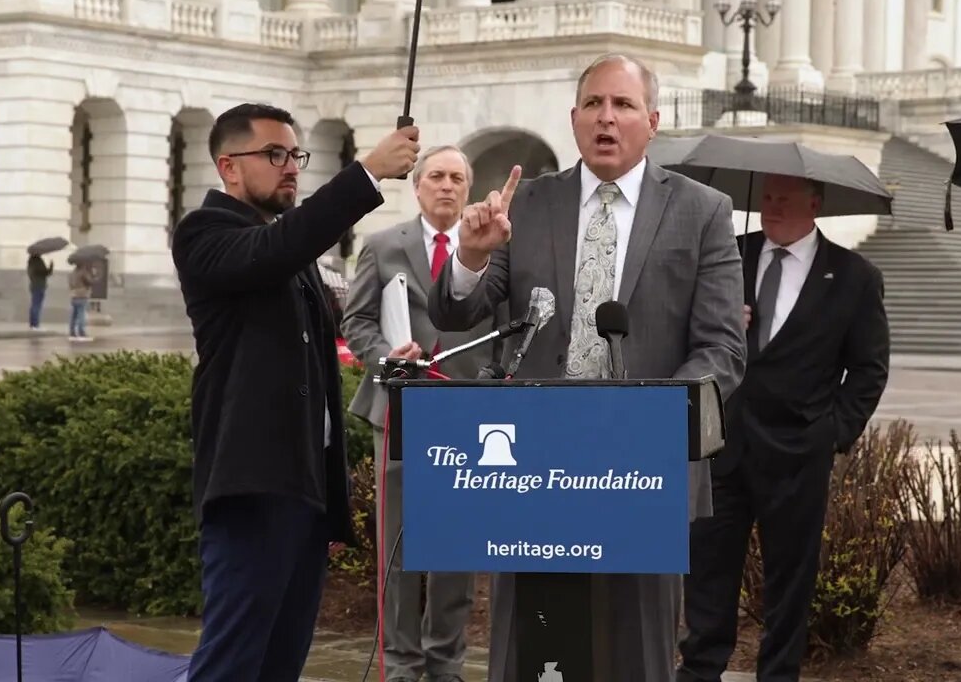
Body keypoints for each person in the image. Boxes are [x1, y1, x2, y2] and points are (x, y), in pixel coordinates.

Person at [427, 53, 747, 682]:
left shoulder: (702, 210)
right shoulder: (527, 206)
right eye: (594, 105)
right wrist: (468, 255)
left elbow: (721, 350)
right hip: (532, 470)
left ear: (652, 121)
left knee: (636, 653)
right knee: (532, 648)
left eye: (623, 106)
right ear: (573, 119)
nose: (607, 118)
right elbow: (458, 311)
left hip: (643, 471)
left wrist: (644, 419)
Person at [171, 102, 420, 682]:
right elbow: (275, 252)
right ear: (228, 166)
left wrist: (390, 353)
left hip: (306, 487)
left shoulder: (287, 246)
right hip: (253, 485)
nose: (290, 167)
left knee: (282, 663)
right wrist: (367, 173)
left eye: (295, 155)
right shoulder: (205, 233)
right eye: (275, 154)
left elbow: (321, 331)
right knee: (232, 662)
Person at [676, 174, 890, 682]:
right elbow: (682, 325)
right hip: (721, 445)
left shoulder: (854, 275)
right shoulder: (726, 254)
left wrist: (832, 432)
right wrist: (723, 321)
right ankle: (700, 671)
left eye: (785, 199)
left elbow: (869, 369)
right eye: (766, 197)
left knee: (789, 582)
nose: (772, 207)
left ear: (814, 204)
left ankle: (779, 674)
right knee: (708, 573)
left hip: (798, 455)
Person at [343, 145, 504, 682]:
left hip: (467, 419)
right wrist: (383, 357)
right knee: (399, 551)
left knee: (456, 557)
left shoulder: (492, 252)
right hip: (399, 414)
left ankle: (445, 665)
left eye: (458, 178)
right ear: (416, 186)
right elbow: (358, 320)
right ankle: (401, 664)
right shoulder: (385, 244)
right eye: (436, 175)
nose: (447, 186)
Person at [68, 260, 93, 341]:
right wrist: (92, 274)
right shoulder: (83, 272)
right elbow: (89, 281)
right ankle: (81, 332)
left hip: (73, 295)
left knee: (74, 315)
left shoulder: (72, 273)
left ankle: (72, 332)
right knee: (81, 314)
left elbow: (70, 284)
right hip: (82, 295)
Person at [28, 253, 53, 328]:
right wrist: (51, 266)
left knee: (34, 305)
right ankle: (35, 325)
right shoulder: (37, 262)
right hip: (39, 285)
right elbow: (45, 272)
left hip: (34, 285)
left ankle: (33, 324)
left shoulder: (30, 262)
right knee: (37, 306)